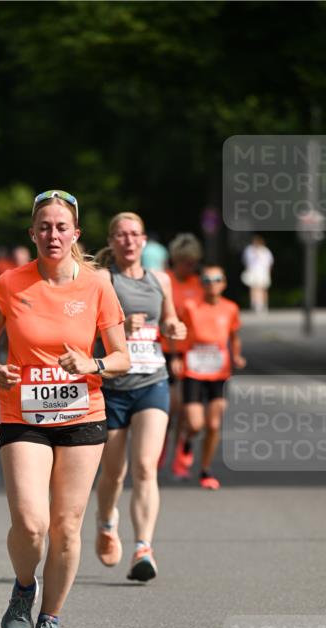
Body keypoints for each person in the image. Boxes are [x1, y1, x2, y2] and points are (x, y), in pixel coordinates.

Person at [0, 190, 129, 628]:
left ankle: (51, 621)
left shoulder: (98, 285)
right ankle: (25, 587)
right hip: (24, 413)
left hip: (82, 412)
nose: (53, 234)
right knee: (30, 522)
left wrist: (92, 365)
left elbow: (120, 357)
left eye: (62, 227)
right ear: (32, 234)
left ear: (76, 233)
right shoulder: (9, 283)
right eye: (44, 227)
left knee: (66, 524)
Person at [94, 213, 186, 582]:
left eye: (134, 234)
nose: (128, 241)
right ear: (112, 241)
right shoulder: (103, 279)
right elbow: (86, 329)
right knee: (114, 473)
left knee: (146, 467)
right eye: (121, 235)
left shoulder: (160, 279)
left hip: (152, 380)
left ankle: (143, 547)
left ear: (144, 241)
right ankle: (105, 522)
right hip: (112, 387)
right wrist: (118, 327)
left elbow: (169, 322)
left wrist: (173, 327)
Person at [174, 265, 245, 489]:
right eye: (206, 279)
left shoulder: (231, 308)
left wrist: (237, 356)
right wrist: (176, 356)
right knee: (196, 424)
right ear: (201, 283)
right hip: (194, 370)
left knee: (213, 424)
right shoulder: (190, 306)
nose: (211, 283)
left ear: (223, 283)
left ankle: (205, 469)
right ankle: (186, 440)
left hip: (219, 372)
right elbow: (177, 331)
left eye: (217, 279)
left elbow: (234, 336)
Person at [165, 233, 204, 476]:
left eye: (192, 262)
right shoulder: (165, 281)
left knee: (189, 413)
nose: (188, 266)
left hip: (193, 353)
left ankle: (183, 445)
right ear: (175, 260)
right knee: (172, 404)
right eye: (184, 261)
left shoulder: (199, 284)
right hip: (167, 350)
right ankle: (162, 444)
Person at [241, 234, 274, 312]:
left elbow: (269, 262)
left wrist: (268, 272)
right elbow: (245, 261)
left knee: (263, 288)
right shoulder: (249, 250)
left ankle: (264, 305)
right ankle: (254, 304)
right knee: (253, 288)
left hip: (263, 272)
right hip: (253, 271)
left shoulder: (265, 251)